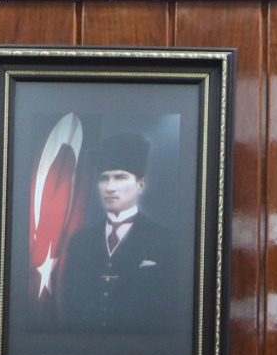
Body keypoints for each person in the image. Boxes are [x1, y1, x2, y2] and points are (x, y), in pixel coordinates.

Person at [57, 131, 188, 337]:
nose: (110, 187)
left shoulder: (166, 241)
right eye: (104, 179)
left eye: (120, 177)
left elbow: (171, 310)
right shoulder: (81, 241)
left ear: (141, 184)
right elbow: (72, 304)